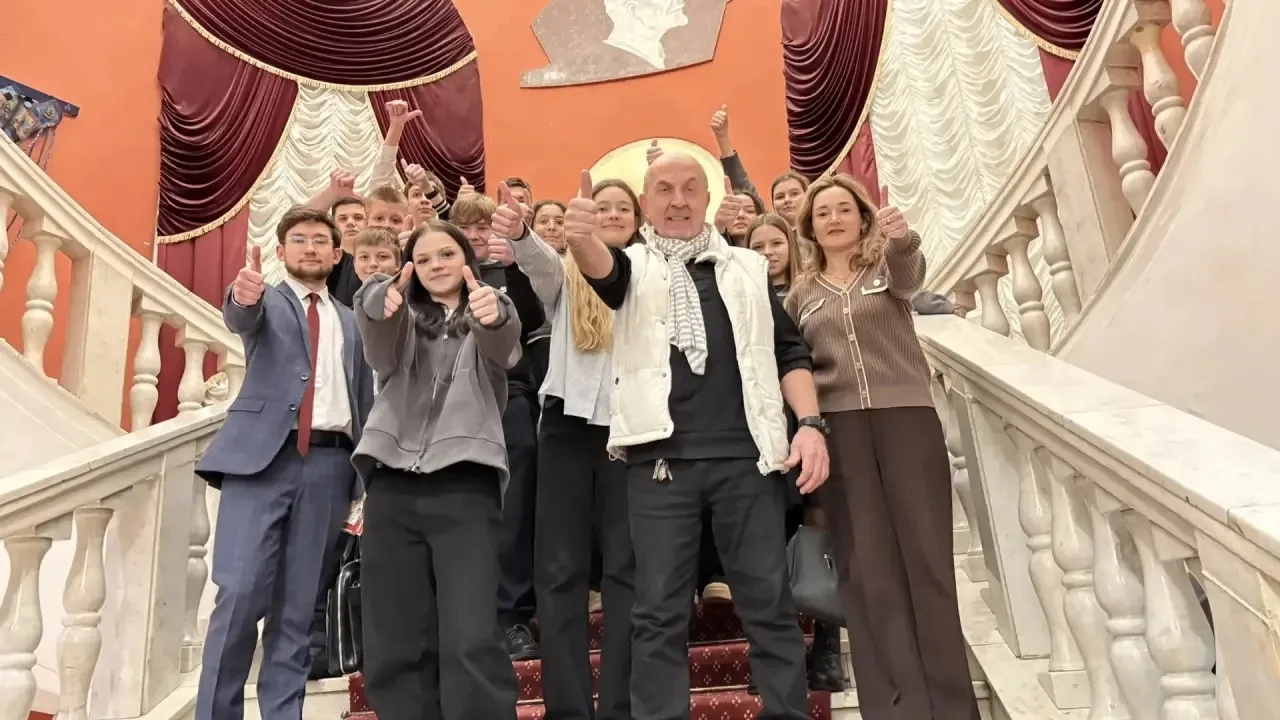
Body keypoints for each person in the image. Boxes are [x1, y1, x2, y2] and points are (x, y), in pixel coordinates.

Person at [567, 153, 829, 720]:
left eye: (690, 188)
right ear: (646, 203)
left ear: (707, 199)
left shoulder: (748, 267)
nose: (678, 200)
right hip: (659, 460)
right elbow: (602, 273)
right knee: (658, 611)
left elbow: (789, 352)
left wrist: (809, 425)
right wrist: (582, 237)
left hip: (750, 458)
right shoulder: (632, 265)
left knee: (768, 605)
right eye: (664, 189)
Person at [785, 176, 979, 720]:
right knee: (868, 570)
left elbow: (909, 276)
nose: (834, 218)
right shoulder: (801, 294)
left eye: (844, 209)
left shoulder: (885, 271)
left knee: (929, 562)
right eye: (823, 212)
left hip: (907, 422)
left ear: (863, 217)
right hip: (840, 432)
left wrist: (901, 238)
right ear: (810, 227)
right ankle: (895, 707)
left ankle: (952, 706)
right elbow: (794, 363)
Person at [194, 206, 375, 720]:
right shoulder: (265, 300)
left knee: (298, 608)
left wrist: (362, 479)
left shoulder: (353, 321)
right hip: (261, 466)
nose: (310, 248)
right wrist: (242, 295)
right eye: (299, 239)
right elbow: (240, 315)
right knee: (239, 594)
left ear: (337, 255)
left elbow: (364, 397)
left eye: (320, 241)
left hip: (330, 469)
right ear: (280, 251)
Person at [353, 220, 522, 719]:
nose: (435, 265)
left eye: (446, 254)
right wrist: (379, 302)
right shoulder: (399, 317)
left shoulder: (490, 306)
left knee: (471, 635)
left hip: (465, 483)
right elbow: (377, 341)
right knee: (395, 635)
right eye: (423, 259)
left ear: (467, 258)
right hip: (391, 484)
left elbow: (505, 344)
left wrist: (493, 313)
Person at [496, 175, 642, 720]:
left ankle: (621, 706)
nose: (611, 214)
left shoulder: (652, 274)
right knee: (559, 572)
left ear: (637, 219)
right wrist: (520, 234)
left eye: (622, 208)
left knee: (626, 569)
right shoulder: (565, 274)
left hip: (631, 427)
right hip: (566, 426)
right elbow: (538, 265)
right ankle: (569, 709)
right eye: (602, 207)